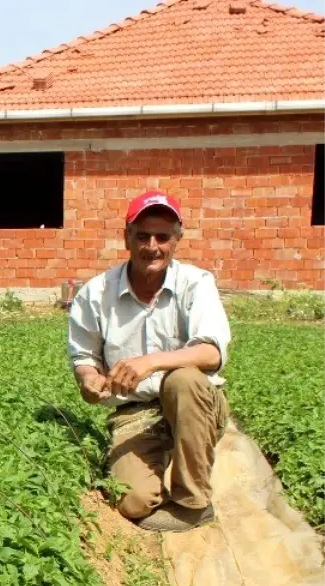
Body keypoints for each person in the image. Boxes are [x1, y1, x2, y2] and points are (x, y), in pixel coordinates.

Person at [67, 191, 231, 533]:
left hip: (194, 403)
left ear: (177, 239)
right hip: (136, 412)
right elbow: (84, 359)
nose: (152, 246)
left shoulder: (196, 284)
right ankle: (161, 453)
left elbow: (211, 353)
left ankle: (192, 503)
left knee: (183, 379)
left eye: (162, 237)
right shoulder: (95, 294)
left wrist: (152, 362)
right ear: (126, 237)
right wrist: (89, 381)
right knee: (133, 502)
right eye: (142, 236)